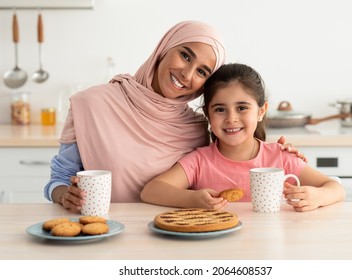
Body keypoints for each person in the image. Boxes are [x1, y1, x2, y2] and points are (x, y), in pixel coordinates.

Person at [44, 21, 304, 213]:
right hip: (105, 230)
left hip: (175, 234)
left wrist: (280, 154)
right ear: (164, 49)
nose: (187, 74)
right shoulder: (92, 104)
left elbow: (231, 158)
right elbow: (60, 177)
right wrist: (64, 195)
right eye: (185, 55)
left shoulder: (198, 126)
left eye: (202, 71)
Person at [140, 63, 345, 212]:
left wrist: (319, 196)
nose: (231, 118)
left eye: (242, 108)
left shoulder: (279, 157)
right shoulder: (200, 161)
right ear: (207, 114)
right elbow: (151, 190)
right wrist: (192, 199)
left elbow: (335, 188)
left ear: (261, 111)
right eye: (220, 109)